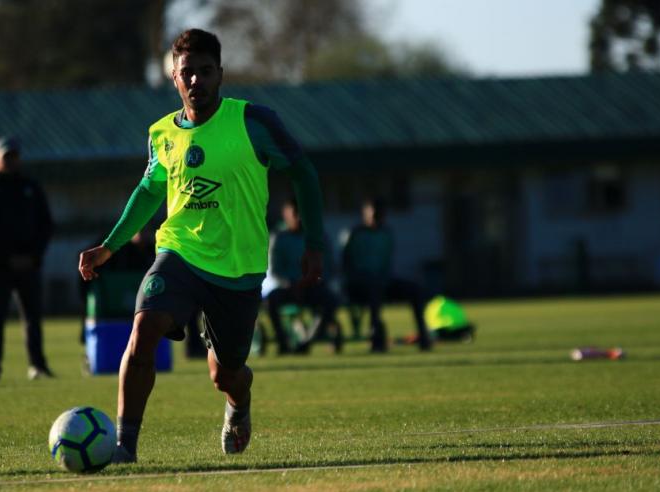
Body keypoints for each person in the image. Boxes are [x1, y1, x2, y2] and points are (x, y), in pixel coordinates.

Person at [78, 29, 326, 463]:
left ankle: (239, 404)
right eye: (187, 73)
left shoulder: (253, 121)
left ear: (221, 75)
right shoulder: (161, 134)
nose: (196, 81)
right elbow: (150, 191)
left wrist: (314, 242)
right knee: (143, 330)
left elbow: (303, 172)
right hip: (178, 252)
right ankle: (124, 447)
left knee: (225, 374)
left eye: (205, 72)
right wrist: (109, 246)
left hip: (238, 266)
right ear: (174, 77)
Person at [0, 136, 54, 381]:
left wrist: (33, 256)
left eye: (14, 156)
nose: (11, 161)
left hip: (29, 264)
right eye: (6, 156)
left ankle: (37, 365)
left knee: (33, 317)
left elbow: (45, 225)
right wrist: (3, 258)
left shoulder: (30, 187)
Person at [342, 198, 431, 352]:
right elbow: (346, 265)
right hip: (359, 285)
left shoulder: (386, 233)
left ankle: (423, 337)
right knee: (374, 289)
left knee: (414, 289)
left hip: (383, 281)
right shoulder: (354, 234)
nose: (377, 218)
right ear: (365, 214)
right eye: (373, 214)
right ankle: (375, 336)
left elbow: (386, 264)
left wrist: (384, 278)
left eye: (380, 214)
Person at [265, 198, 340, 354]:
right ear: (286, 215)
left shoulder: (317, 237)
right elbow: (274, 270)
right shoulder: (279, 238)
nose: (299, 218)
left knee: (330, 300)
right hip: (288, 288)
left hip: (311, 286)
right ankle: (282, 341)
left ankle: (308, 340)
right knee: (271, 301)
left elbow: (327, 266)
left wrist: (313, 281)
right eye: (295, 213)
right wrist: (291, 284)